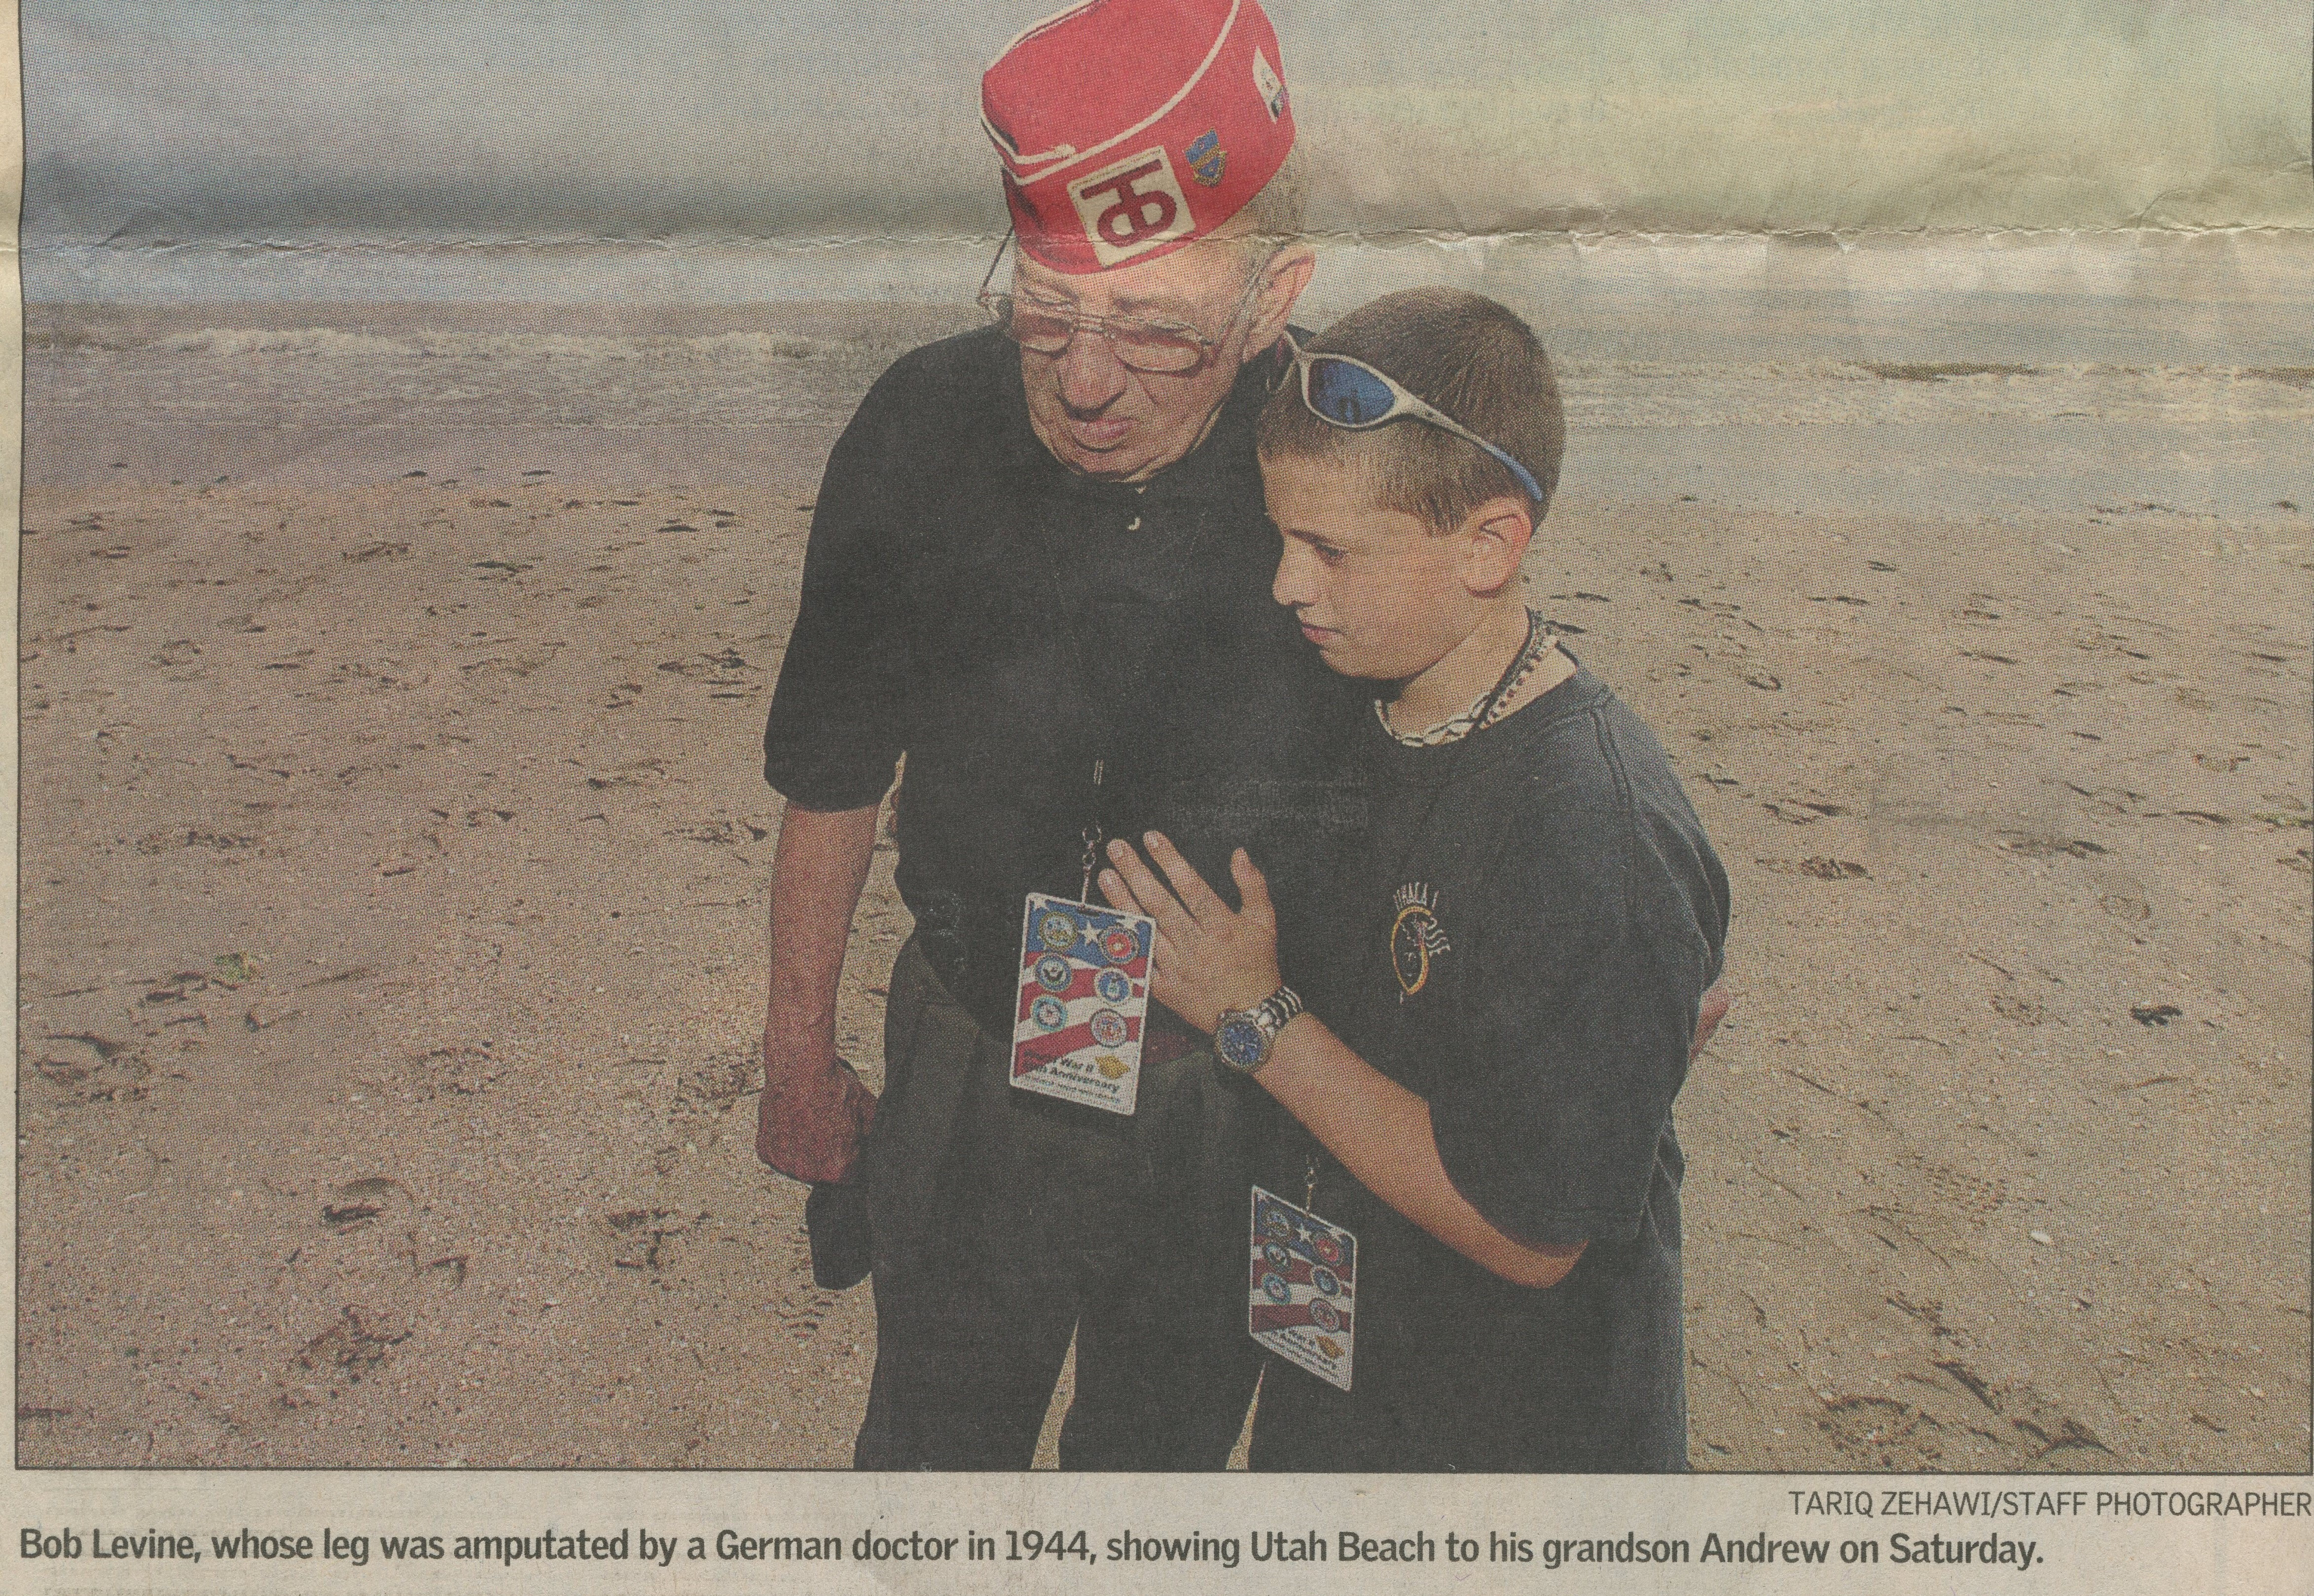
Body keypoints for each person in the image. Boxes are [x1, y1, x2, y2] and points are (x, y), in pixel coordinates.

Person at [753, 0, 1365, 1469]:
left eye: (1153, 328)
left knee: (1159, 1479)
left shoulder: (1351, 456)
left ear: (1272, 297)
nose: (1084, 381)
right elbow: (835, 774)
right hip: (974, 1053)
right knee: (926, 1462)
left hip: (1246, 1093)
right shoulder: (917, 427)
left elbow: (1470, 740)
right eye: (1044, 311)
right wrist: (795, 1054)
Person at [1099, 287, 1732, 1470]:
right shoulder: (1358, 715)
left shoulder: (1594, 828)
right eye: (1280, 535)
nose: (1287, 583)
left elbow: (1529, 1228)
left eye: (1332, 550)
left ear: (1490, 544)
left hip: (1512, 1436)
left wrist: (1253, 1018)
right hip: (1337, 1375)